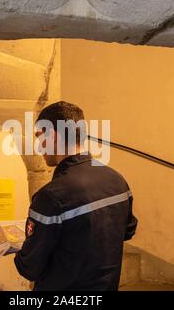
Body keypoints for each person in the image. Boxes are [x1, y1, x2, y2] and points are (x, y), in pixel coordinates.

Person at [14, 101, 138, 291]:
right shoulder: (117, 180)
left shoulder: (51, 197)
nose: (39, 147)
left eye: (40, 138)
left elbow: (30, 267)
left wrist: (19, 249)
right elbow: (128, 230)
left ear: (53, 136)